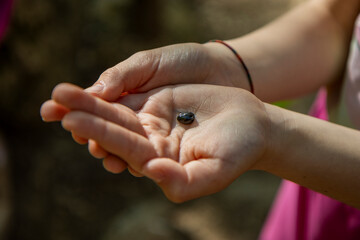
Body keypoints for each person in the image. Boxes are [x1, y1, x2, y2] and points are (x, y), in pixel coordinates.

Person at [40, 0, 360, 238]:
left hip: (317, 156)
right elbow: (333, 20)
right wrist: (226, 65)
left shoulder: (281, 139)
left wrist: (277, 138)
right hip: (315, 182)